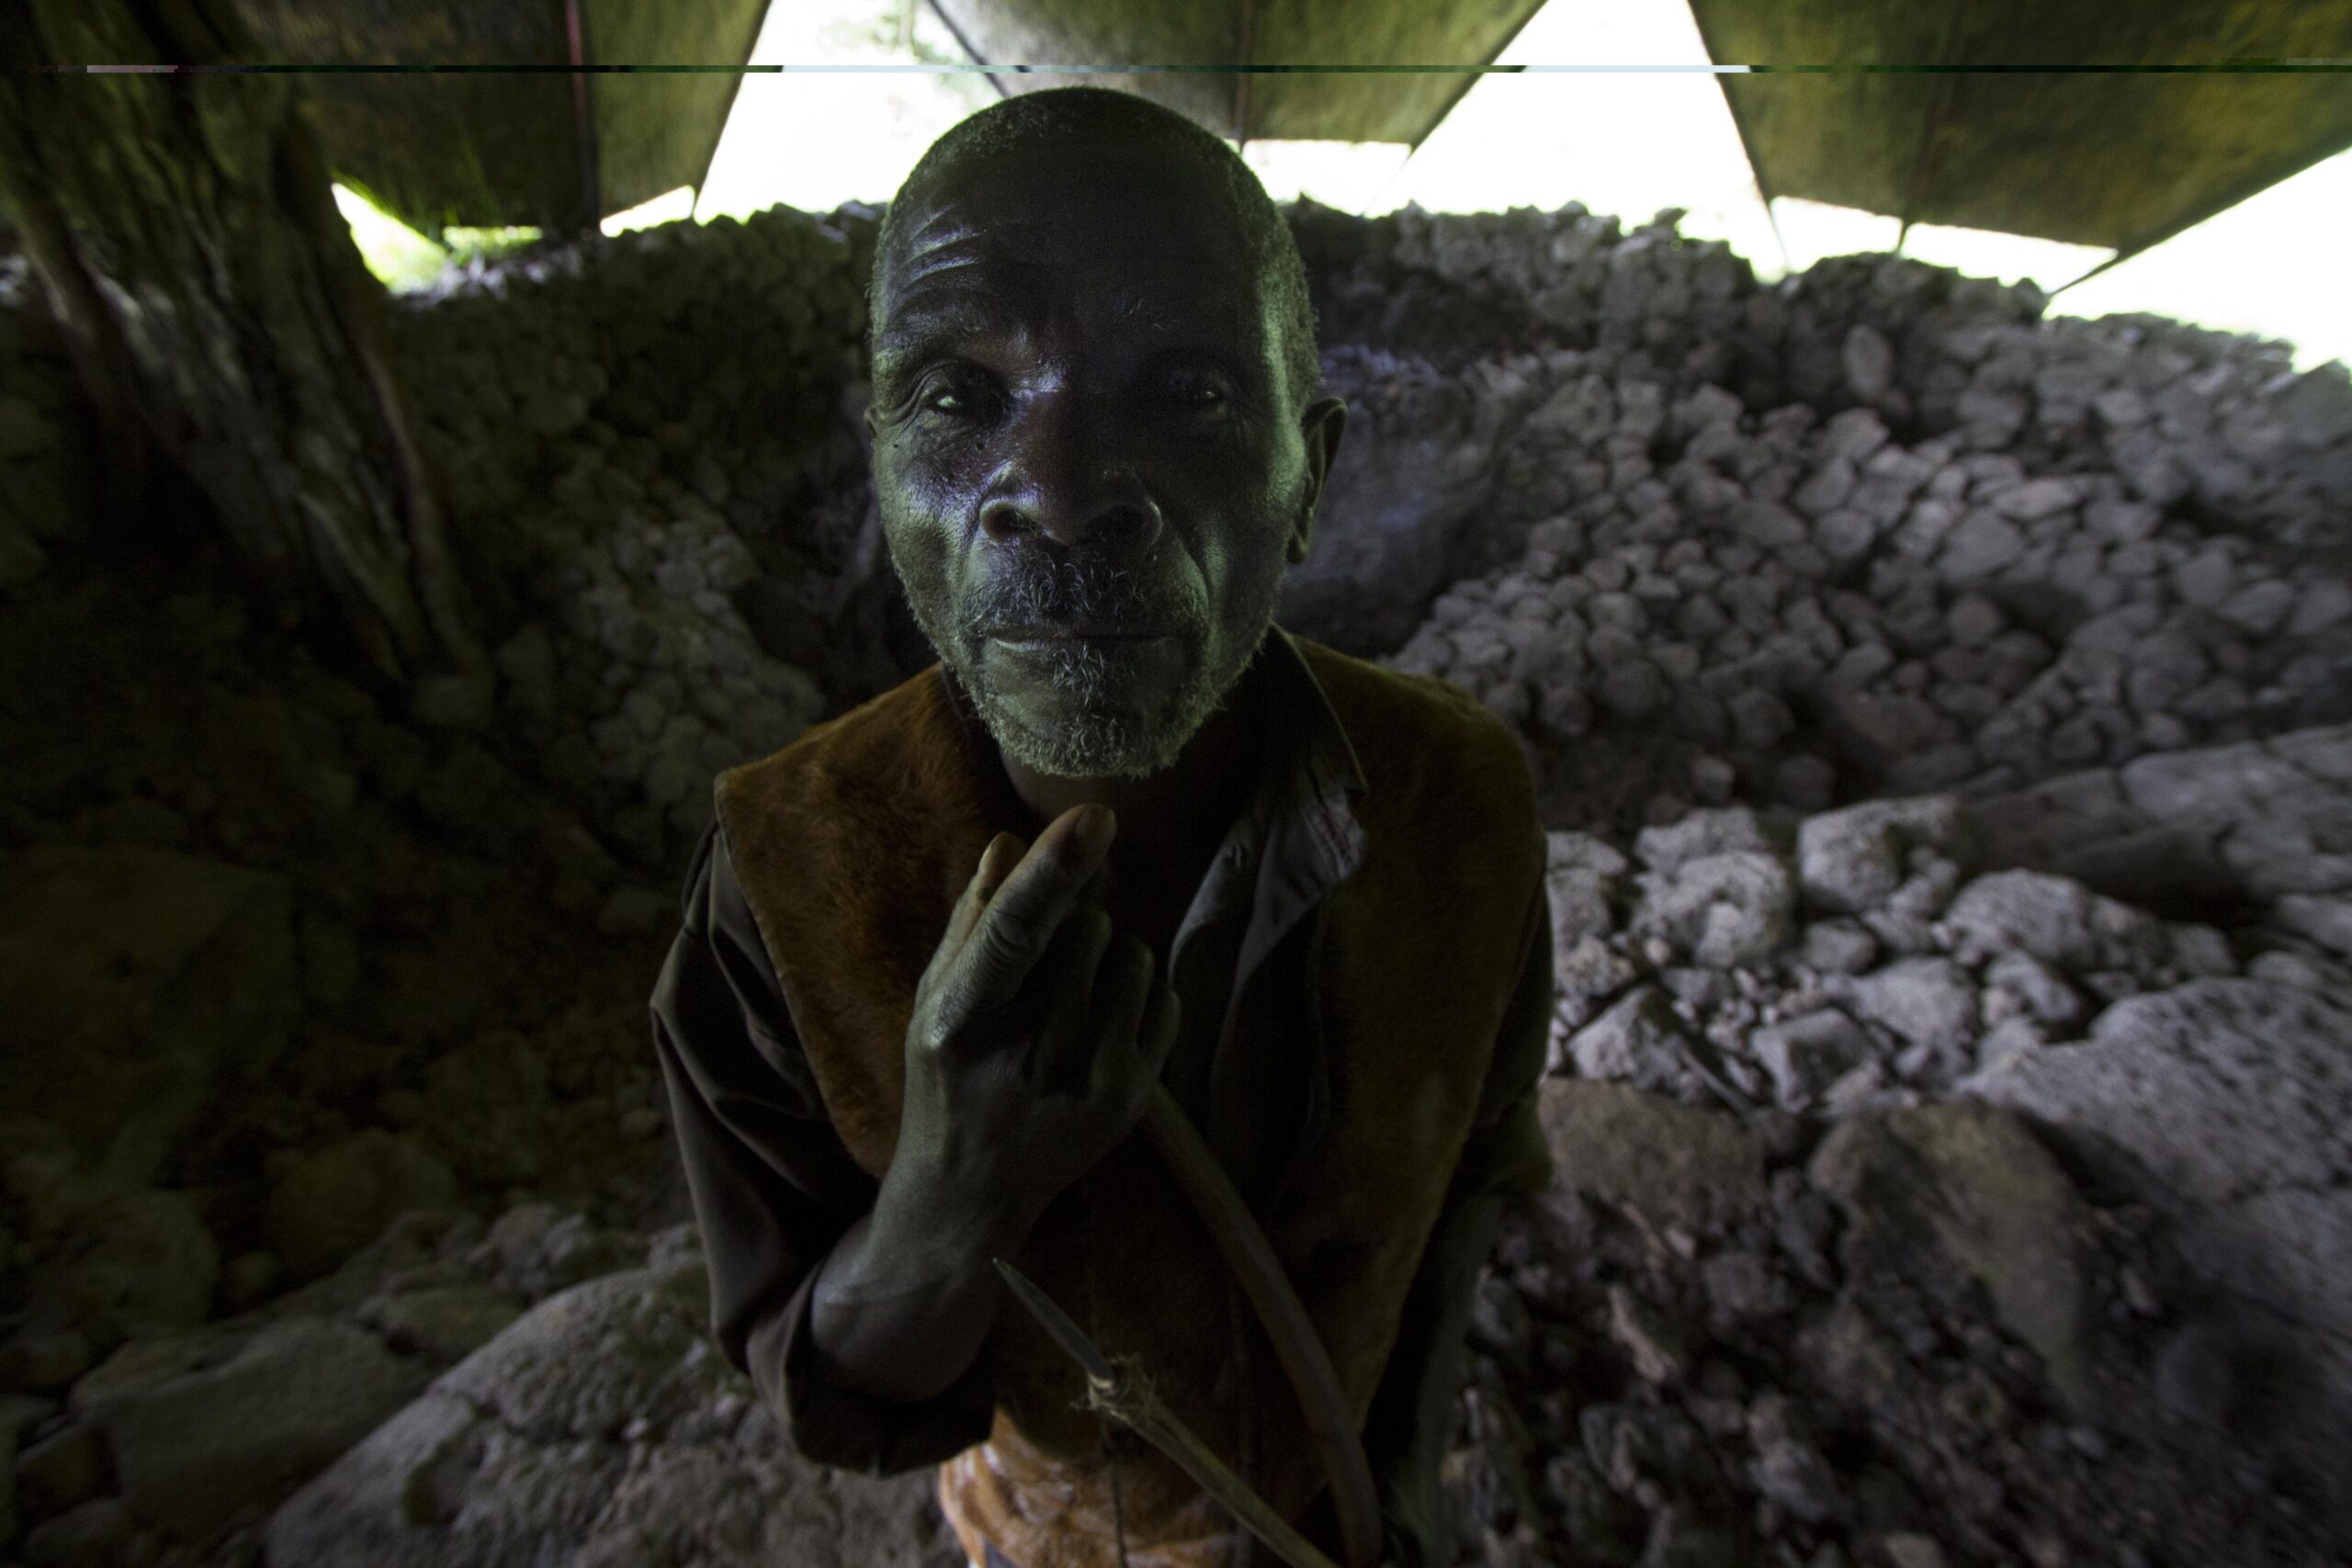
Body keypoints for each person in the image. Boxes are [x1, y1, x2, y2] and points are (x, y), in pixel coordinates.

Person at [650, 85, 1557, 1568]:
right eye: (958, 396)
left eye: (1187, 390)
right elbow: (827, 1391)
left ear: (1309, 477)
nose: (1062, 495)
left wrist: (1398, 1485)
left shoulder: (1454, 803)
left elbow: (1465, 1186)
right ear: (882, 467)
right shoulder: (783, 885)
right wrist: (954, 1190)